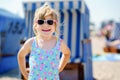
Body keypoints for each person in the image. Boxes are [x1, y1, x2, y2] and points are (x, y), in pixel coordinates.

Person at [17, 3, 70, 80]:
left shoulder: (59, 43)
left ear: (55, 25)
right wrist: (25, 73)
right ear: (36, 25)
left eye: (50, 22)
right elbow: (20, 56)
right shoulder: (31, 42)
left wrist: (60, 68)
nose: (45, 25)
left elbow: (67, 53)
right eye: (41, 22)